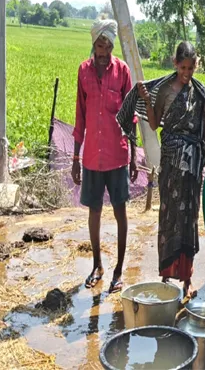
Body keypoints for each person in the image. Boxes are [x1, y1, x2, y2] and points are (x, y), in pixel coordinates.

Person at [117, 42, 205, 300]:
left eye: (191, 68)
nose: (187, 73)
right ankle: (166, 277)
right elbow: (154, 123)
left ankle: (187, 279)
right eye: (183, 68)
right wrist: (147, 101)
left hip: (191, 167)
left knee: (189, 219)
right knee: (169, 216)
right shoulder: (165, 90)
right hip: (170, 164)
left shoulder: (200, 92)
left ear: (196, 65)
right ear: (175, 64)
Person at [72, 19, 138, 294]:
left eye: (108, 47)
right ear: (94, 44)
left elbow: (131, 117)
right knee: (94, 211)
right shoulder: (83, 71)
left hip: (117, 156)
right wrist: (75, 159)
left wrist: (134, 157)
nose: (103, 52)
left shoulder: (122, 71)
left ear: (112, 46)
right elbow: (80, 116)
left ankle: (118, 270)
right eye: (100, 46)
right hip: (92, 157)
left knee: (120, 211)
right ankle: (97, 265)